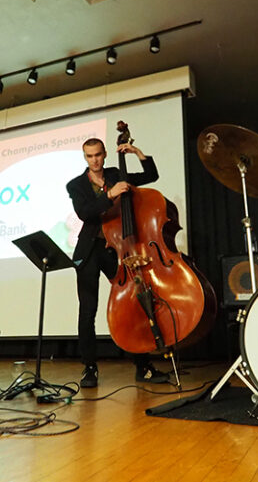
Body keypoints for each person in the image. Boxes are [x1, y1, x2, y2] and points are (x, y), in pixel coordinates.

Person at [66, 137, 170, 388]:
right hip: (91, 249)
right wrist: (110, 194)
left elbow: (151, 175)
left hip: (119, 250)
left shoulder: (116, 173)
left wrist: (137, 152)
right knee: (88, 309)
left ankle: (142, 366)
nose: (95, 160)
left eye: (99, 155)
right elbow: (85, 212)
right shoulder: (76, 185)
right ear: (85, 157)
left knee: (135, 303)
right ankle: (89, 367)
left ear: (104, 154)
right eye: (90, 156)